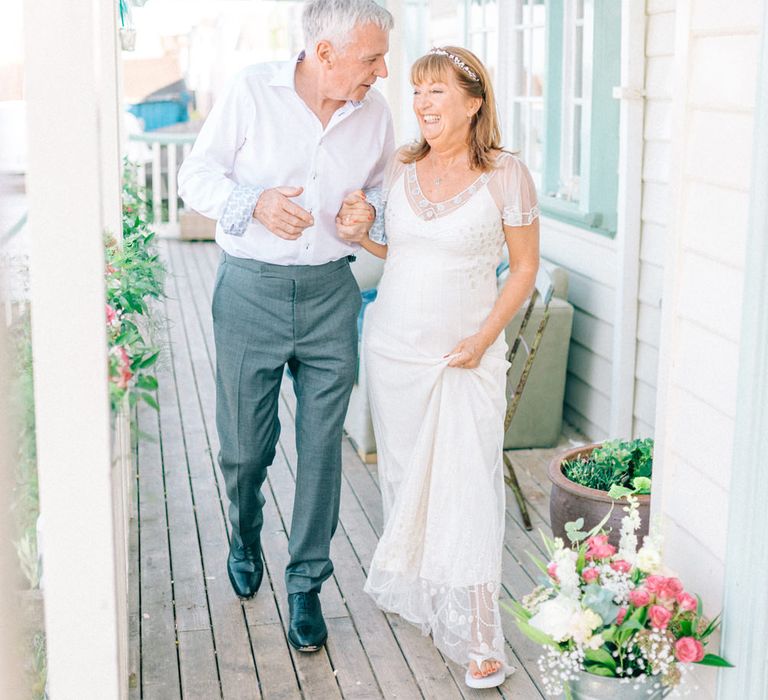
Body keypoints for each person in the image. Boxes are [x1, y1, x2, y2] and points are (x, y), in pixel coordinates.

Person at [177, 0, 394, 654]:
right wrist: (255, 203)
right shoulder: (251, 90)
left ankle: (306, 583)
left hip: (333, 292)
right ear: (325, 54)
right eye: (371, 57)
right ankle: (245, 533)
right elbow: (196, 177)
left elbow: (384, 198)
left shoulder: (375, 114)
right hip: (251, 291)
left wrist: (367, 214)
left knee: (323, 447)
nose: (382, 71)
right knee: (244, 447)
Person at [349, 46, 540, 688]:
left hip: (465, 356)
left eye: (436, 93)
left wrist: (486, 338)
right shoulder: (401, 170)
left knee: (466, 488)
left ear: (474, 101)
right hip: (393, 349)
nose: (423, 105)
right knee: (408, 481)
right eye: (417, 92)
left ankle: (481, 634)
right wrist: (360, 238)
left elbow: (525, 268)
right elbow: (400, 252)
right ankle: (436, 599)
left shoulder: (507, 174)